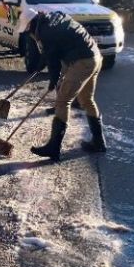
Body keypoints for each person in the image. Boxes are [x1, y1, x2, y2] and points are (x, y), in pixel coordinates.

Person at [25, 11, 107, 161]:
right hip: (95, 57)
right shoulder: (54, 18)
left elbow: (54, 63)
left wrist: (53, 82)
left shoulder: (45, 32)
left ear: (31, 25)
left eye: (27, 32)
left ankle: (54, 148)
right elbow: (51, 51)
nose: (29, 36)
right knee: (87, 100)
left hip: (82, 61)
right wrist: (40, 66)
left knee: (63, 101)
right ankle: (99, 142)